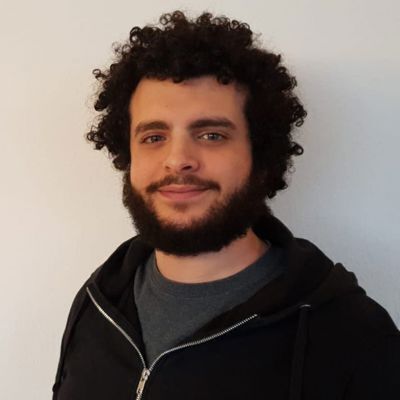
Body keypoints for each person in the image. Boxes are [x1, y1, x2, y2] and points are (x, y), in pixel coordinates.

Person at [52, 10, 400, 400]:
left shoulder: (354, 337)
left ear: (260, 155)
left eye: (212, 135)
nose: (177, 160)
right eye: (153, 137)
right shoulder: (97, 302)